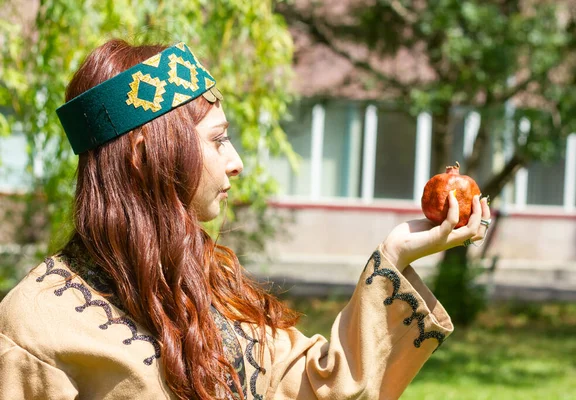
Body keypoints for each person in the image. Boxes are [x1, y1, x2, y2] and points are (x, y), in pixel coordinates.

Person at [0, 39, 491, 400]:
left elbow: (319, 388)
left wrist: (397, 257)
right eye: (216, 139)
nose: (236, 161)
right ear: (144, 155)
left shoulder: (210, 287)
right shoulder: (35, 328)